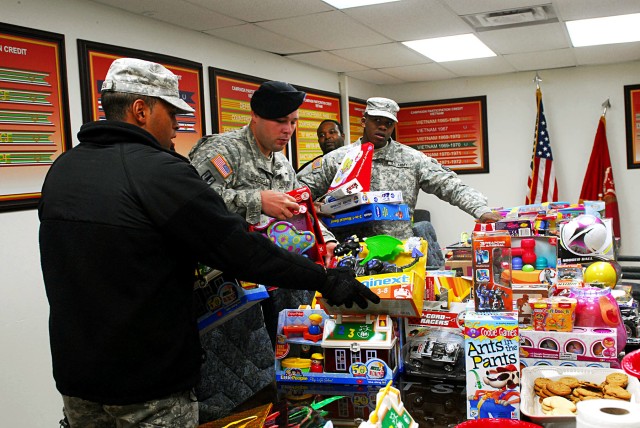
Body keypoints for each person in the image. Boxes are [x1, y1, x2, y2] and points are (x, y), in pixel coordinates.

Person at [38, 58, 379, 428]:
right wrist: (325, 279)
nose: (176, 126)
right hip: (148, 380)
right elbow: (235, 247)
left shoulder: (64, 168)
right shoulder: (160, 171)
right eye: (171, 114)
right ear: (140, 110)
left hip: (78, 374)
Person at [188, 80, 340, 419]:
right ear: (255, 116)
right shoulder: (221, 151)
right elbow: (194, 207)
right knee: (239, 395)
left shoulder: (281, 163)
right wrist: (256, 200)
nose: (288, 130)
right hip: (229, 295)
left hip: (275, 283)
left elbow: (302, 209)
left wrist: (324, 237)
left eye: (294, 122)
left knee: (288, 373)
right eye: (280, 122)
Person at [297, 97, 501, 250]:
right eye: (377, 120)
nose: (383, 127)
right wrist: (314, 207)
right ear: (364, 121)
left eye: (388, 123)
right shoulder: (338, 159)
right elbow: (296, 191)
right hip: (350, 253)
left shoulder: (412, 159)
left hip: (398, 252)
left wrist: (481, 210)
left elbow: (449, 184)